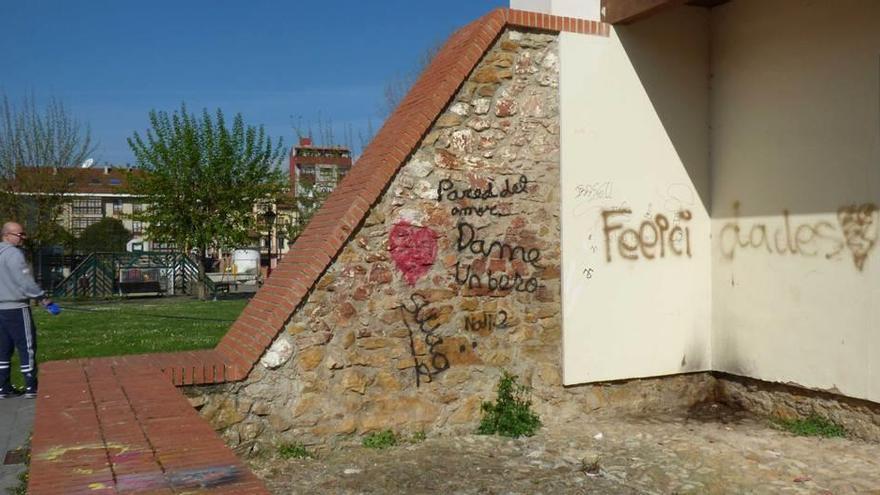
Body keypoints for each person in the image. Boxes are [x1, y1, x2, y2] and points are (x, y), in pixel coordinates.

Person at [0, 222, 52, 399]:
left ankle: (3, 387)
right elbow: (25, 281)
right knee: (26, 346)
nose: (23, 238)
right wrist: (42, 297)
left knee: (3, 348)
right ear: (7, 234)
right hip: (17, 307)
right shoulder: (14, 255)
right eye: (19, 234)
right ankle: (31, 387)